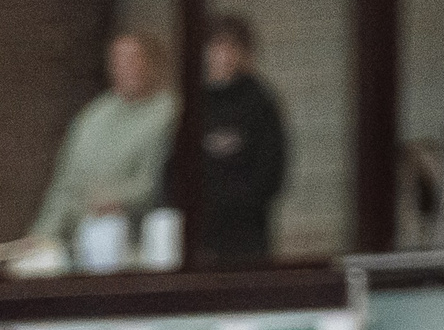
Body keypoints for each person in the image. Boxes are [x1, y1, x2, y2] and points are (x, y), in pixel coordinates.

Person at [31, 33, 179, 253]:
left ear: (151, 63)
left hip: (135, 242)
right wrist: (41, 235)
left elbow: (156, 184)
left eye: (133, 60)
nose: (126, 68)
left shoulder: (169, 114)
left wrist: (115, 200)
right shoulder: (94, 116)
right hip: (78, 238)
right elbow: (64, 184)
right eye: (119, 61)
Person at [200, 15, 288, 265]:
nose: (223, 55)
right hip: (200, 236)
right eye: (216, 46)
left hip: (246, 235)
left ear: (246, 53)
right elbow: (175, 166)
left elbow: (271, 172)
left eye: (231, 47)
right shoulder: (196, 105)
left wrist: (231, 203)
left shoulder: (261, 104)